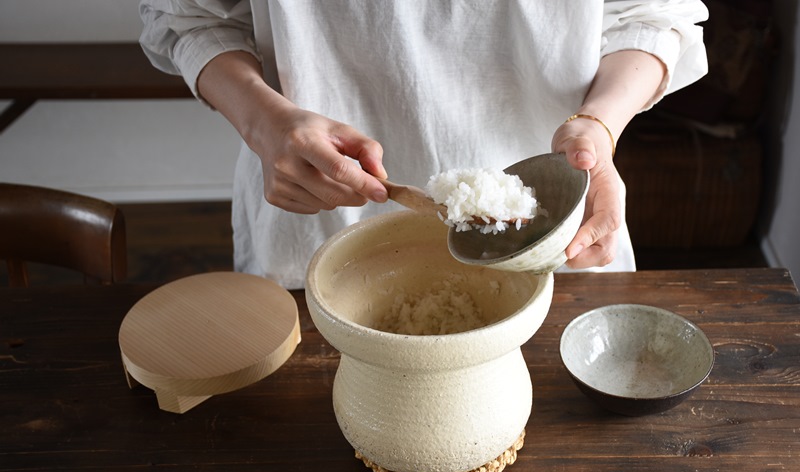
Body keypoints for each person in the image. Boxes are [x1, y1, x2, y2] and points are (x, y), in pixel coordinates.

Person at [140, 1, 708, 289]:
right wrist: (265, 122)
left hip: (557, 238)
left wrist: (600, 126)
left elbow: (651, 13)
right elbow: (188, 16)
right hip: (318, 235)